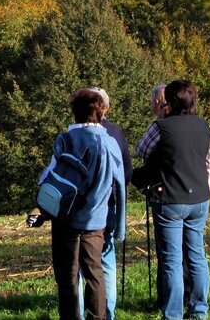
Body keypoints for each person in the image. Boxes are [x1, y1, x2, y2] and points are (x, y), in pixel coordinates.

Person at [35, 89, 125, 320]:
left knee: (68, 276)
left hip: (65, 218)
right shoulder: (110, 142)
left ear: (74, 112)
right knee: (95, 273)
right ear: (100, 111)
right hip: (96, 219)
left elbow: (51, 176)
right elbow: (121, 185)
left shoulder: (66, 139)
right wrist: (121, 227)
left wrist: (41, 207)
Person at [133, 80, 210, 320]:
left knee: (171, 261)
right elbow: (209, 162)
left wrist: (160, 120)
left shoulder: (161, 127)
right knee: (197, 255)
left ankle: (173, 313)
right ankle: (199, 310)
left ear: (169, 101)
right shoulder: (205, 127)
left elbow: (141, 150)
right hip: (199, 198)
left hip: (170, 198)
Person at [74, 87, 131, 320]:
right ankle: (107, 313)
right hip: (107, 206)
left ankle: (75, 312)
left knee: (76, 268)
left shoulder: (69, 138)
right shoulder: (114, 135)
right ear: (104, 108)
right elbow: (125, 173)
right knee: (105, 261)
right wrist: (120, 223)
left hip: (76, 211)